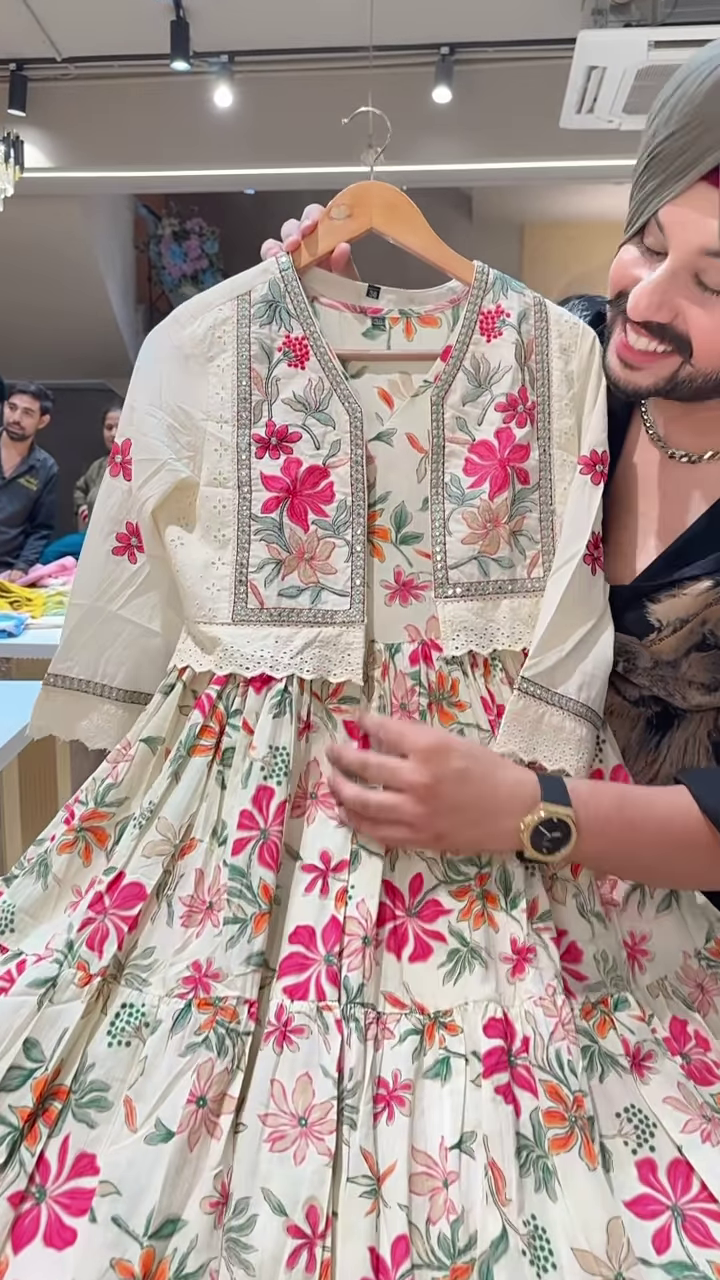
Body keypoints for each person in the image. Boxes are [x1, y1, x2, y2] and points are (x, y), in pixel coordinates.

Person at [262, 45, 720, 901]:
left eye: (714, 285)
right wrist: (354, 336)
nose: (648, 302)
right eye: (648, 242)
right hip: (481, 883)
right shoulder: (555, 359)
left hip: (669, 923)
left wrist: (525, 809)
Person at [0, 381, 57, 582]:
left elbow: (41, 528)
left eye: (27, 413)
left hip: (7, 571)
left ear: (42, 421)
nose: (16, 418)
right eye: (12, 408)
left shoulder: (46, 468)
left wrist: (23, 565)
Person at [73, 399, 124, 529]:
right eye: (109, 428)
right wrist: (83, 509)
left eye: (120, 427)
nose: (113, 433)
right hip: (94, 534)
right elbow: (80, 490)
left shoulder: (141, 466)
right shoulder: (98, 466)